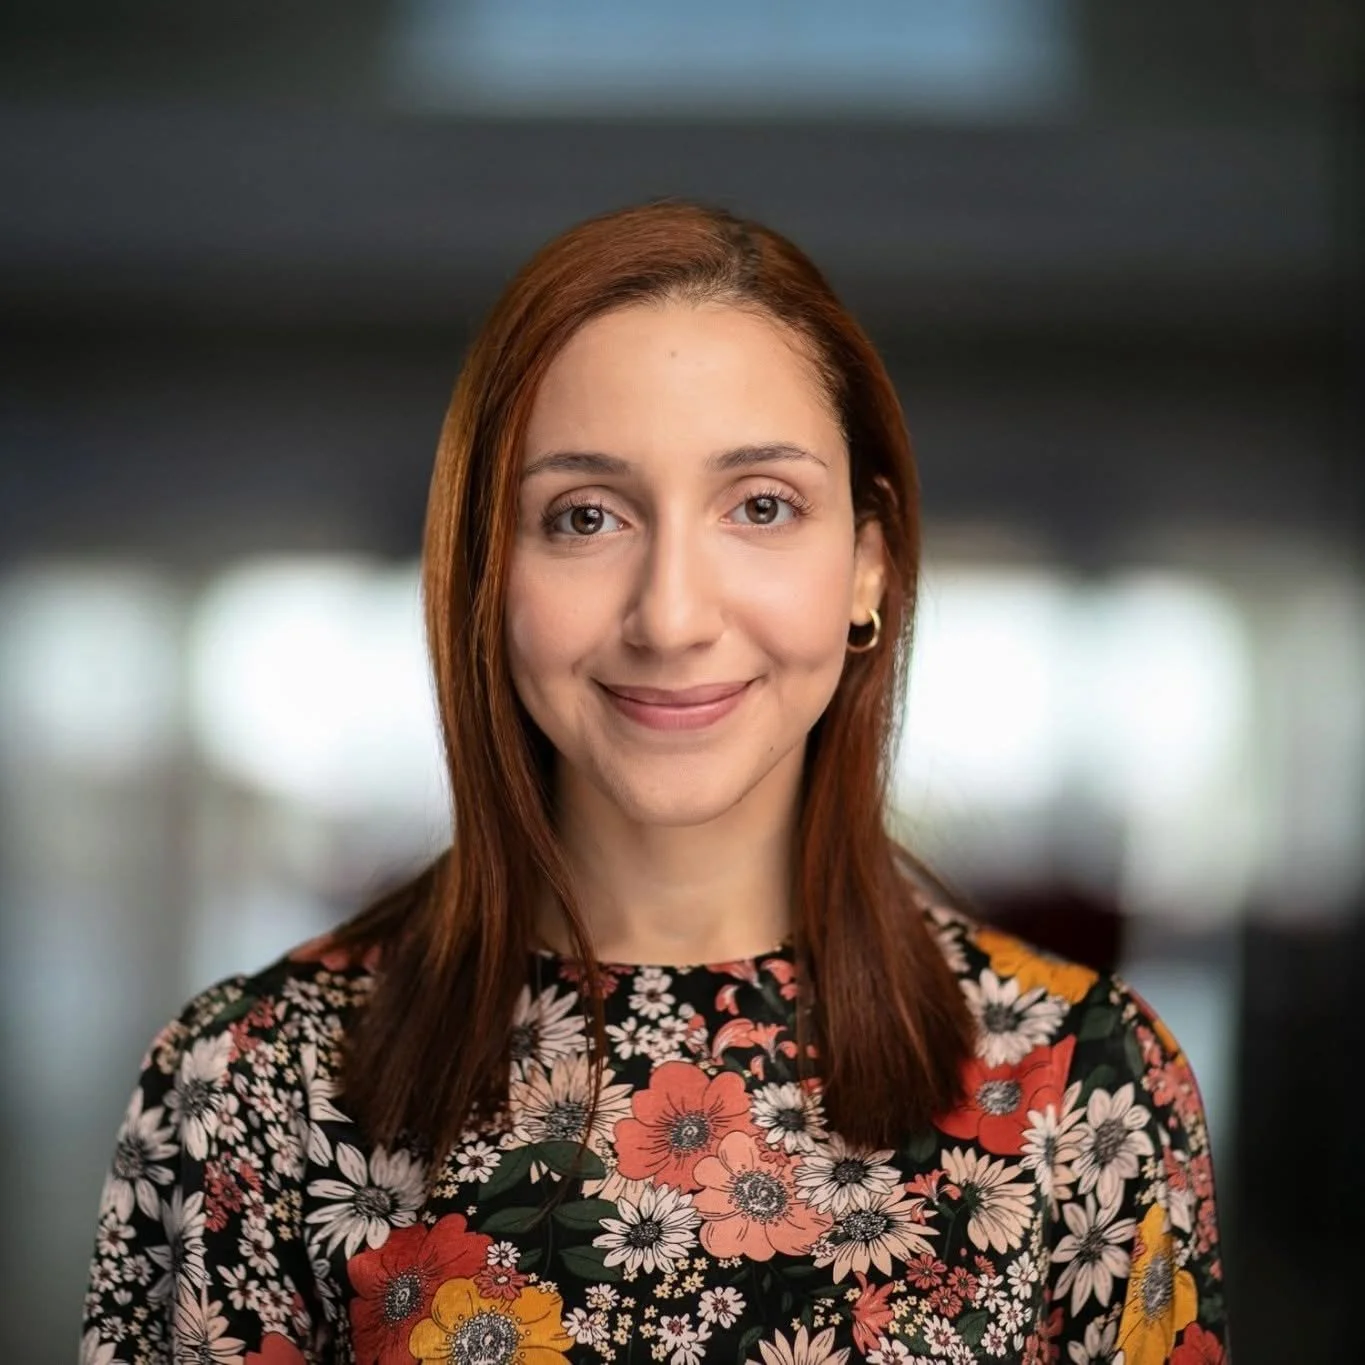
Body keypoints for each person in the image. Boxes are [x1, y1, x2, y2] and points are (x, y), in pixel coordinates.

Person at [81, 199, 1229, 1365]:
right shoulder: (253, 1080)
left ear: (866, 567)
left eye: (762, 507)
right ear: (487, 573)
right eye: (584, 516)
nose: (672, 616)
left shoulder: (1085, 1084)